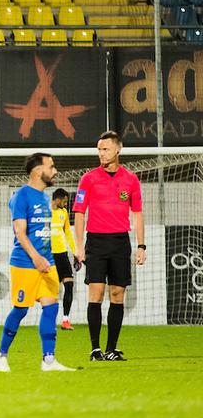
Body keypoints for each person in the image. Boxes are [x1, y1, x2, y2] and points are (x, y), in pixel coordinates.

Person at [0, 152, 74, 372]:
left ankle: (49, 360)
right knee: (20, 310)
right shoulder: (21, 197)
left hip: (46, 264)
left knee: (51, 308)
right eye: (51, 166)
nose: (55, 171)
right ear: (39, 171)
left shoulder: (44, 198)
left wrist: (46, 258)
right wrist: (36, 257)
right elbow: (20, 233)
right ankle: (1, 356)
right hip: (25, 263)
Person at [72, 130, 145, 362]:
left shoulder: (131, 180)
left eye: (105, 149)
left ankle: (112, 348)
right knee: (96, 292)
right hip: (96, 242)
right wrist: (79, 246)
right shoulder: (88, 178)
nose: (101, 154)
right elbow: (79, 213)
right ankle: (95, 349)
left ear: (117, 149)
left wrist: (141, 245)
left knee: (117, 294)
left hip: (120, 242)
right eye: (99, 149)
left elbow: (138, 214)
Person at [50, 188, 80, 331]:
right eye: (65, 201)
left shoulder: (63, 213)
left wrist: (75, 252)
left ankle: (65, 320)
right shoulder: (45, 212)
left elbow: (67, 233)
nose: (66, 204)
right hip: (49, 256)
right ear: (58, 199)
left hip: (62, 254)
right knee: (51, 290)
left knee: (69, 284)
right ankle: (49, 320)